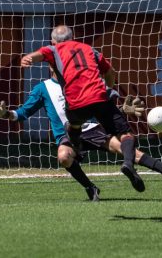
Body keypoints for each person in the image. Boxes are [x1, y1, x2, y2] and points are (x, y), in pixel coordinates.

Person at [0, 67, 162, 201]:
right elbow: (22, 113)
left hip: (93, 129)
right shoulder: (43, 88)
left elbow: (105, 100)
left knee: (128, 150)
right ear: (51, 65)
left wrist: (121, 108)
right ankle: (91, 188)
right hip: (68, 134)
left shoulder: (82, 83)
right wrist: (5, 113)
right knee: (63, 156)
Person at [20, 25, 145, 192]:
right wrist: (109, 93)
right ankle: (96, 181)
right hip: (83, 116)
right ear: (72, 38)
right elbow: (110, 72)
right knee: (121, 137)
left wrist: (29, 58)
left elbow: (39, 55)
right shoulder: (87, 50)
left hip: (86, 120)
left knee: (85, 129)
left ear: (53, 42)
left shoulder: (53, 50)